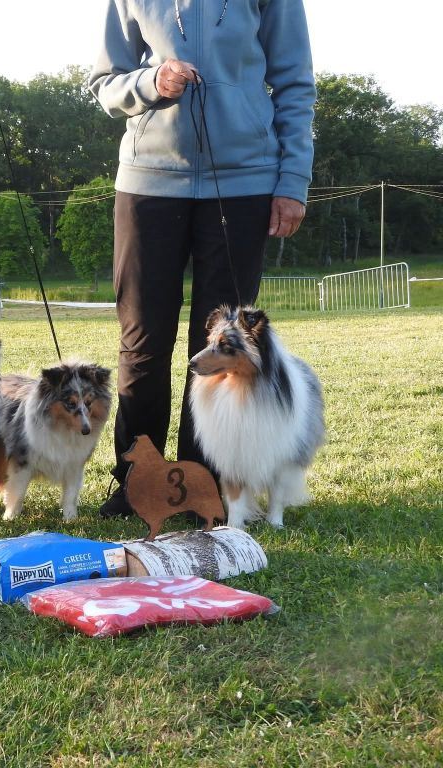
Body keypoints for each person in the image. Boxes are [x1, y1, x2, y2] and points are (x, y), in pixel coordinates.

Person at [88, 0, 316, 517]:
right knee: (142, 342)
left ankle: (203, 482)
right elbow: (104, 83)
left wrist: (292, 181)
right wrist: (151, 81)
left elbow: (296, 85)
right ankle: (138, 482)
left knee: (219, 345)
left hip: (245, 184)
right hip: (147, 184)